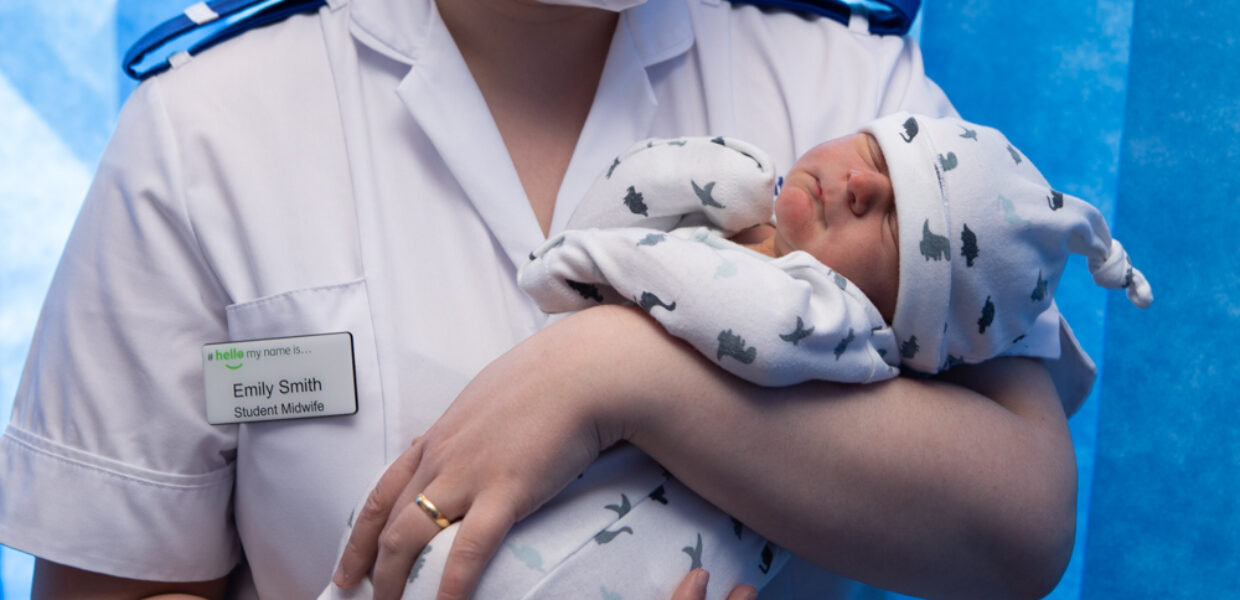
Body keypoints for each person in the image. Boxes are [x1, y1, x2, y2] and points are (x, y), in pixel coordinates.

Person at [0, 1, 1081, 600]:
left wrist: (624, 376)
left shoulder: (846, 90)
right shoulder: (207, 132)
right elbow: (118, 587)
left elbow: (1020, 526)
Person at [519, 114, 1152, 389]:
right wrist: (695, 177)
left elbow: (581, 274)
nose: (864, 184)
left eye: (896, 227)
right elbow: (596, 239)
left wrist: (590, 265)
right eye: (876, 153)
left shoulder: (836, 329)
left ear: (900, 321)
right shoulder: (736, 227)